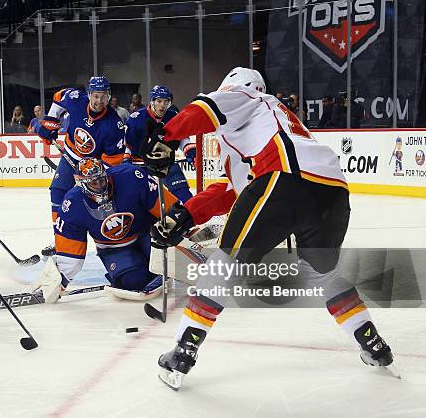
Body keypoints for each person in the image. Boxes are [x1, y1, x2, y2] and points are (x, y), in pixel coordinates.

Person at [139, 67, 394, 390]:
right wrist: (186, 215)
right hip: (333, 192)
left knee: (223, 266)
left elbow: (204, 108)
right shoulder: (270, 127)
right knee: (324, 275)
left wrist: (165, 136)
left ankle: (182, 353)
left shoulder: (249, 96)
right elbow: (237, 192)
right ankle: (373, 344)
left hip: (284, 179)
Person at [40, 157, 175, 301]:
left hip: (147, 233)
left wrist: (185, 229)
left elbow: (167, 207)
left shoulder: (131, 176)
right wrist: (61, 282)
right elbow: (71, 252)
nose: (99, 185)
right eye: (93, 183)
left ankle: (157, 266)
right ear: (83, 184)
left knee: (169, 262)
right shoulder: (72, 204)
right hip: (114, 249)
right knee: (133, 281)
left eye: (101, 180)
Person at [36, 76, 126, 256]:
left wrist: (93, 174)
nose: (99, 101)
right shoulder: (76, 98)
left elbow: (113, 161)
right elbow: (57, 98)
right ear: (89, 94)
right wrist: (50, 121)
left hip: (94, 169)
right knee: (57, 193)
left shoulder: (114, 125)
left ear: (108, 97)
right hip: (70, 155)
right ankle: (60, 239)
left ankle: (109, 243)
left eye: (103, 97)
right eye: (95, 96)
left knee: (93, 205)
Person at [124, 85, 194, 203]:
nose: (163, 105)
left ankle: (188, 216)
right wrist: (126, 160)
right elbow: (127, 144)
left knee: (185, 195)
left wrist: (189, 150)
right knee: (138, 198)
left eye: (166, 101)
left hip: (164, 161)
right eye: (159, 101)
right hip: (140, 163)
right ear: (152, 101)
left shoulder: (173, 116)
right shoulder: (135, 119)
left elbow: (182, 138)